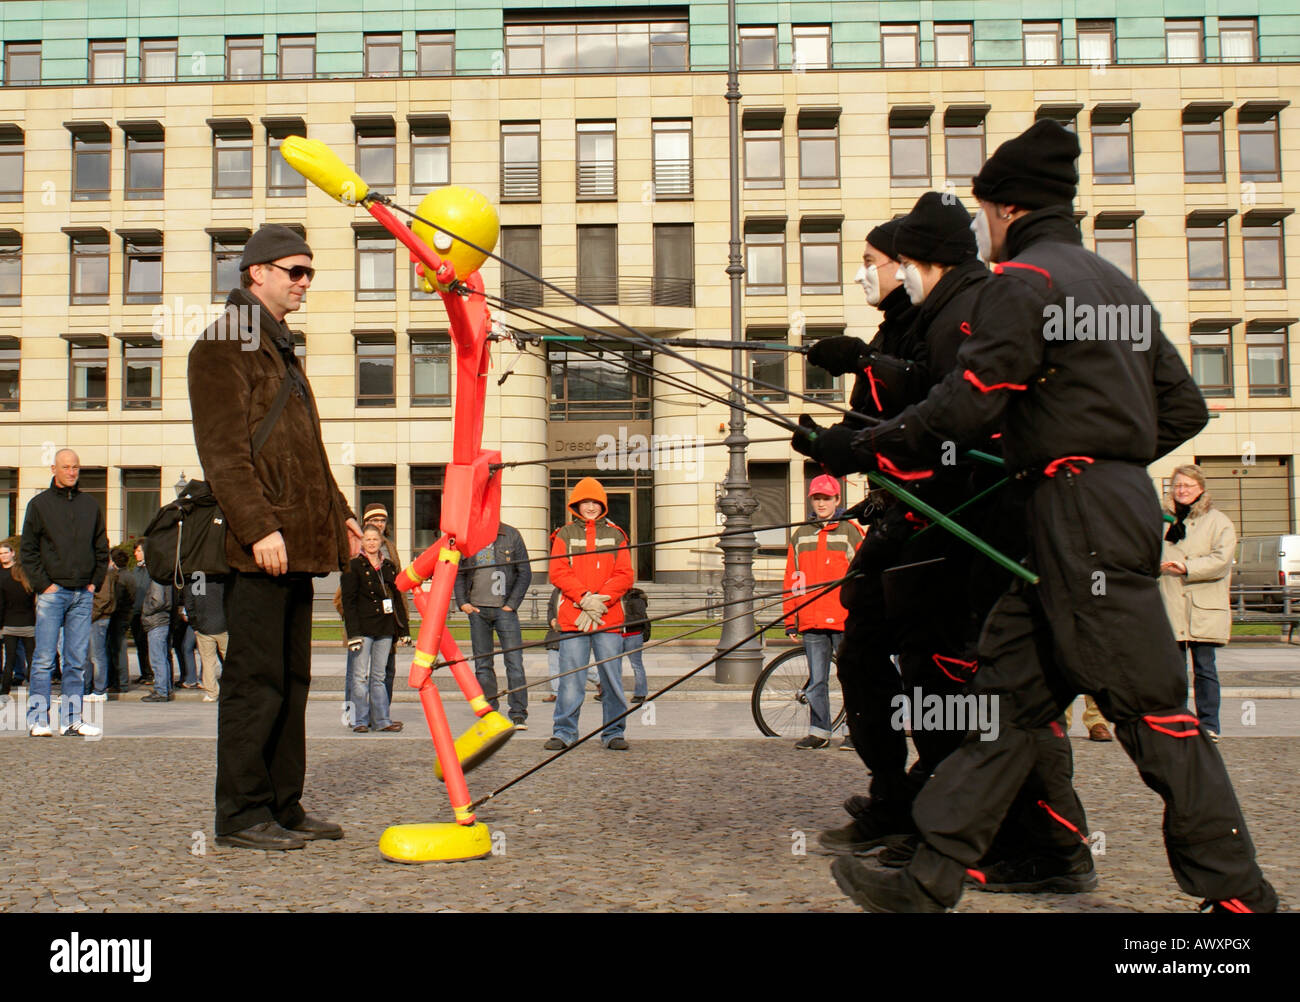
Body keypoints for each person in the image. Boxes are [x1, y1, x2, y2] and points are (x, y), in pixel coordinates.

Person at [803, 119, 1276, 913]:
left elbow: (966, 402)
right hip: (1082, 508)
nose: (983, 229)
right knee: (1008, 706)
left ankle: (1239, 898)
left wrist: (870, 444)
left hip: (1072, 515)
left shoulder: (1023, 282)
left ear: (1008, 209)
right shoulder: (1116, 285)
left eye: (986, 213)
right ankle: (931, 878)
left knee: (1153, 712)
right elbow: (1184, 407)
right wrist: (1106, 456)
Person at [189, 223, 362, 851]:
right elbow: (224, 455)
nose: (305, 282)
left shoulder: (280, 348)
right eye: (295, 270)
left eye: (310, 271)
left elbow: (308, 450)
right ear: (256, 272)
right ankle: (240, 815)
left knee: (292, 682)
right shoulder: (222, 345)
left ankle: (284, 804)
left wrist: (340, 510)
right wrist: (259, 525)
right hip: (262, 544)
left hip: (301, 543)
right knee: (254, 683)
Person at [19, 449, 108, 738]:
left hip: (83, 592)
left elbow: (101, 546)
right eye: (66, 467)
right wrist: (43, 584)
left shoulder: (90, 505)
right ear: (54, 469)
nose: (71, 472)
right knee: (44, 659)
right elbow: (28, 550)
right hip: (52, 593)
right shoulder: (39, 505)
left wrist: (95, 580)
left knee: (76, 660)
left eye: (76, 467)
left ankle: (71, 719)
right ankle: (37, 719)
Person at [546, 477, 634, 751]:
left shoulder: (617, 534)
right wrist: (585, 599)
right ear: (576, 505)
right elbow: (558, 571)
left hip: (607, 617)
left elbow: (625, 574)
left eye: (596, 502)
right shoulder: (564, 534)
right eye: (586, 502)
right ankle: (564, 732)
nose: (591, 507)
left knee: (611, 677)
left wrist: (600, 601)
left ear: (603, 505)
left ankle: (614, 732)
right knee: (571, 678)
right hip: (574, 617)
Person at [782, 476, 862, 749]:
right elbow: (793, 578)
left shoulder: (851, 531)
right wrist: (791, 618)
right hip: (812, 619)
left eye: (826, 498)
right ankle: (819, 731)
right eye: (817, 498)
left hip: (844, 619)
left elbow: (863, 577)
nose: (821, 503)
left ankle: (856, 732)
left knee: (852, 677)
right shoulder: (801, 534)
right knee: (816, 681)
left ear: (837, 500)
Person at [1159, 464, 1235, 744]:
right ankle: (1178, 720)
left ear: (1200, 489)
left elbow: (1221, 560)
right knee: (1172, 671)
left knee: (1205, 668)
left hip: (1203, 605)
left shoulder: (1219, 521)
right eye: (1177, 486)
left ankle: (1209, 724)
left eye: (1187, 486)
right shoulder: (1162, 520)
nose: (1182, 491)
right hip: (1169, 603)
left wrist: (1187, 566)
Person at [455, 520, 532, 728]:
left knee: (514, 662)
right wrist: (463, 603)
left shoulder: (511, 534)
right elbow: (459, 572)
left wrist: (511, 604)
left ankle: (518, 713)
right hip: (477, 609)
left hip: (504, 609)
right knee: (483, 663)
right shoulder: (467, 535)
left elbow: (524, 572)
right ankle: (489, 711)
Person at [341, 525, 409, 733]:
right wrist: (352, 634)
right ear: (362, 542)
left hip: (385, 628)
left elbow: (397, 599)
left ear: (381, 541)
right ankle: (360, 720)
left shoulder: (388, 566)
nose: (371, 543)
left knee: (379, 676)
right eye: (367, 539)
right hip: (362, 628)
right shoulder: (353, 566)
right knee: (359, 676)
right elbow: (348, 603)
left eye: (374, 539)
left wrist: (404, 630)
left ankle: (382, 720)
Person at [183, 574, 227, 702]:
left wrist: (195, 625)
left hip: (204, 626)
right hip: (224, 625)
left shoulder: (198, 580)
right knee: (230, 659)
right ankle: (237, 689)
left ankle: (212, 693)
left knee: (208, 661)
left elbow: (191, 604)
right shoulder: (221, 578)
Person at [0, 549, 34, 705]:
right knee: (31, 658)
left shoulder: (5, 582)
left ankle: (4, 691)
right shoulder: (28, 584)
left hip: (10, 624)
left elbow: (2, 605)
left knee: (10, 660)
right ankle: (35, 690)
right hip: (28, 624)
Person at [86, 551, 119, 702]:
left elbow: (104, 598)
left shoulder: (105, 573)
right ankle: (90, 688)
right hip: (96, 617)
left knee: (96, 655)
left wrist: (90, 616)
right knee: (90, 655)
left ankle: (100, 690)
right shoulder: (105, 572)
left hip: (98, 618)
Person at [139, 580, 174, 703]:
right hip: (162, 621)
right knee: (163, 658)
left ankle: (161, 690)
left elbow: (158, 601)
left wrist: (145, 610)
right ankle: (166, 688)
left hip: (155, 621)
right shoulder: (167, 580)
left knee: (157, 659)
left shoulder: (157, 580)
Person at [106, 548, 133, 692]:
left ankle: (119, 682)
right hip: (125, 616)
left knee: (117, 650)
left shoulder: (117, 578)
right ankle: (120, 682)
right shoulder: (130, 575)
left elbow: (116, 599)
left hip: (117, 617)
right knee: (119, 649)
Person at [620, 587, 651, 705]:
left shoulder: (636, 598)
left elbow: (639, 617)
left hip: (633, 635)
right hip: (618, 634)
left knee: (636, 664)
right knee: (613, 664)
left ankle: (640, 693)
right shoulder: (618, 597)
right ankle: (610, 691)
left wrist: (621, 619)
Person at [129, 543, 153, 685]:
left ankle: (151, 673)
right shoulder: (136, 569)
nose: (136, 553)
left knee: (149, 645)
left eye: (138, 550)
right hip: (135, 612)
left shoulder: (151, 569)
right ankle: (144, 673)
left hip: (147, 612)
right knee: (140, 645)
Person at [542, 586, 561, 703]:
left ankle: (598, 681)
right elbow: (550, 608)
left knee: (576, 665)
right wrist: (552, 620)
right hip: (555, 634)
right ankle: (556, 693)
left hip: (570, 632)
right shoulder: (556, 591)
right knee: (554, 664)